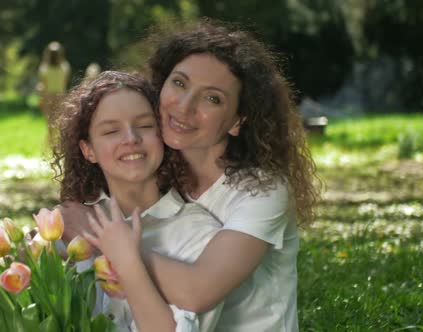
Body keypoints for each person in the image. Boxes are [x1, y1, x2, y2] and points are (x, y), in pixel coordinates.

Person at [59, 19, 321, 331]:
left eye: (212, 98)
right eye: (180, 83)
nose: (184, 107)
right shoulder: (157, 171)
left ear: (237, 121)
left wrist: (100, 235)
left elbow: (197, 292)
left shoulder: (261, 191)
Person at [50, 71, 224, 331]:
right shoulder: (68, 224)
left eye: (144, 126)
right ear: (88, 150)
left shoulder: (200, 233)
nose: (131, 138)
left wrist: (121, 254)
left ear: (163, 136)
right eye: (111, 130)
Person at [36, 41, 71, 120]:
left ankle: (51, 133)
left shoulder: (44, 68)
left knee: (49, 119)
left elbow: (43, 85)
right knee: (58, 119)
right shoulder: (65, 67)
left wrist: (41, 98)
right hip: (61, 95)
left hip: (48, 96)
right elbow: (65, 83)